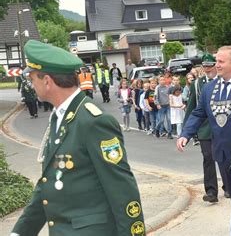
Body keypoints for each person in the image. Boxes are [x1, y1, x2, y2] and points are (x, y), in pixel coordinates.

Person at [11, 40, 145, 236]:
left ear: (47, 81)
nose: (32, 85)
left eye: (33, 79)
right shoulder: (60, 117)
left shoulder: (93, 121)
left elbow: (122, 189)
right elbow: (49, 182)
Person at [177, 46, 231, 235]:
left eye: (220, 61)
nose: (215, 65)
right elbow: (199, 113)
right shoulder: (209, 88)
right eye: (216, 61)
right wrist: (186, 133)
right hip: (221, 152)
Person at [184, 53, 228, 202]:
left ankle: (228, 187)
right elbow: (191, 107)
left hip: (222, 126)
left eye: (210, 65)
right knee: (208, 158)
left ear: (215, 65)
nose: (208, 69)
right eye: (205, 66)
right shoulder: (198, 84)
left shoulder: (224, 81)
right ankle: (211, 192)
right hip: (204, 128)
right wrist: (186, 132)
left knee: (223, 157)